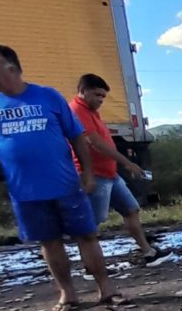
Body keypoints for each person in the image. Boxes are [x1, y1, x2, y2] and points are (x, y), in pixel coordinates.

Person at [0, 43, 121, 311]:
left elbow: (76, 136)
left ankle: (106, 289)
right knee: (49, 242)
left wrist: (87, 173)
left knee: (87, 236)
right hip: (25, 191)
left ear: (9, 67)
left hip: (66, 184)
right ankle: (68, 295)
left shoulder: (48, 97)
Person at [69, 73, 172, 266]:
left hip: (109, 173)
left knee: (131, 209)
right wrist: (127, 162)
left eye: (103, 96)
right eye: (97, 95)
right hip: (94, 175)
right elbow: (95, 143)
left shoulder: (90, 110)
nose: (101, 100)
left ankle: (148, 253)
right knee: (90, 224)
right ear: (83, 91)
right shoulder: (77, 111)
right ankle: (91, 267)